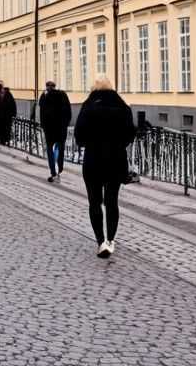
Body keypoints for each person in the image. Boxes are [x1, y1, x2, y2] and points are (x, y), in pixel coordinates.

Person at [74, 77, 136, 259]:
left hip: (93, 160)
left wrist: (91, 142)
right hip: (116, 160)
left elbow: (79, 135)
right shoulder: (122, 106)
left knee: (94, 201)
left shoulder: (88, 106)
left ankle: (100, 241)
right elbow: (130, 134)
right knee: (111, 201)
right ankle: (111, 240)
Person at [39, 80, 72, 183]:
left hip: (49, 129)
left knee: (50, 149)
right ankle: (59, 170)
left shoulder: (44, 97)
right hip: (61, 128)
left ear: (47, 87)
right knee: (60, 149)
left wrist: (44, 126)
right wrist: (65, 124)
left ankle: (53, 172)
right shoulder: (63, 95)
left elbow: (42, 114)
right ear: (55, 86)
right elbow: (69, 112)